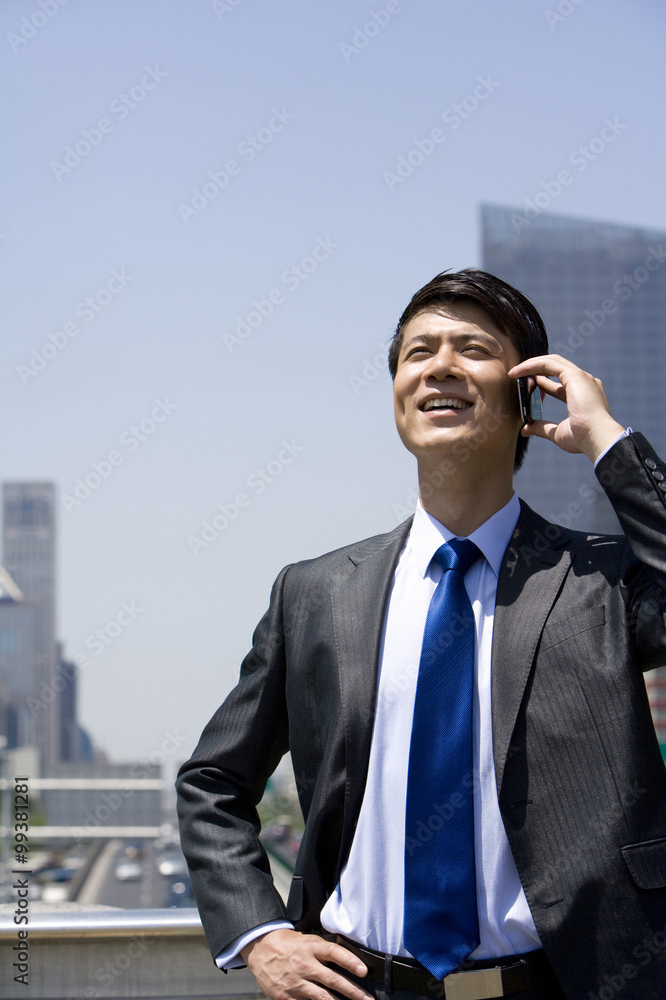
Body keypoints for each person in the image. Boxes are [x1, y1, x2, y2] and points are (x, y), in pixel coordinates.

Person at [176, 269, 666, 1000]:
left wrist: (607, 440)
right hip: (357, 986)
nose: (440, 365)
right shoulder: (313, 594)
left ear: (526, 387)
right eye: (417, 352)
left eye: (472, 348)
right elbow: (212, 781)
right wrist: (260, 933)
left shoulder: (599, 579)